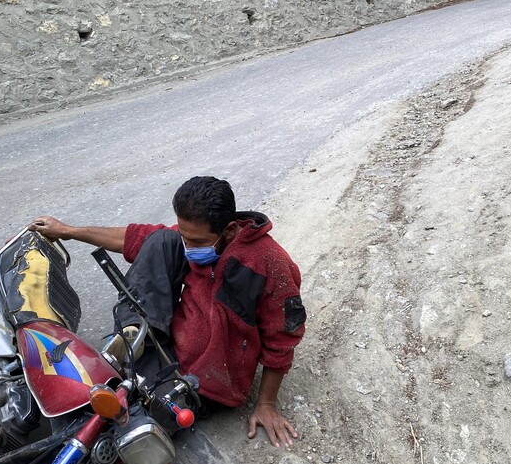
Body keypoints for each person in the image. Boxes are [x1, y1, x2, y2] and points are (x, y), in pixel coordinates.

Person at [29, 175, 306, 448]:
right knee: (162, 240)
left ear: (230, 231)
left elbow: (282, 339)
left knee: (120, 432)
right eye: (185, 236)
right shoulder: (192, 238)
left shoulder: (269, 263)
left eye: (196, 241)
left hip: (204, 381)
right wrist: (69, 231)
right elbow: (134, 239)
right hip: (164, 348)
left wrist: (267, 404)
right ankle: (132, 335)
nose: (188, 248)